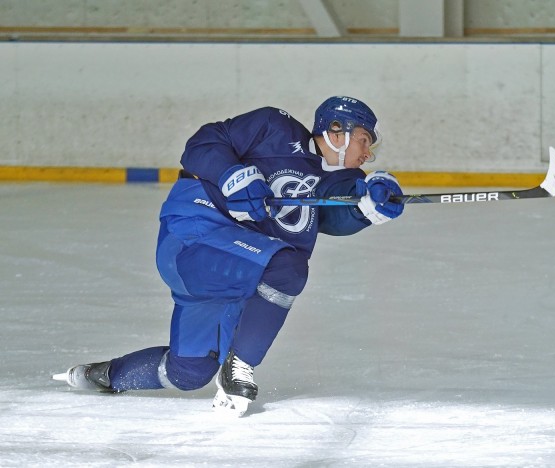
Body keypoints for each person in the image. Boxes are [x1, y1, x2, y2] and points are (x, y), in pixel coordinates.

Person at [54, 96, 405, 417]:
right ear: (336, 130)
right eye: (364, 140)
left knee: (189, 371)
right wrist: (231, 174)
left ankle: (100, 375)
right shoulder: (274, 126)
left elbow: (335, 208)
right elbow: (204, 143)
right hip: (194, 235)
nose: (366, 154)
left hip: (227, 270)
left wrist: (367, 204)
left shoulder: (332, 179)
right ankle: (240, 367)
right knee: (287, 267)